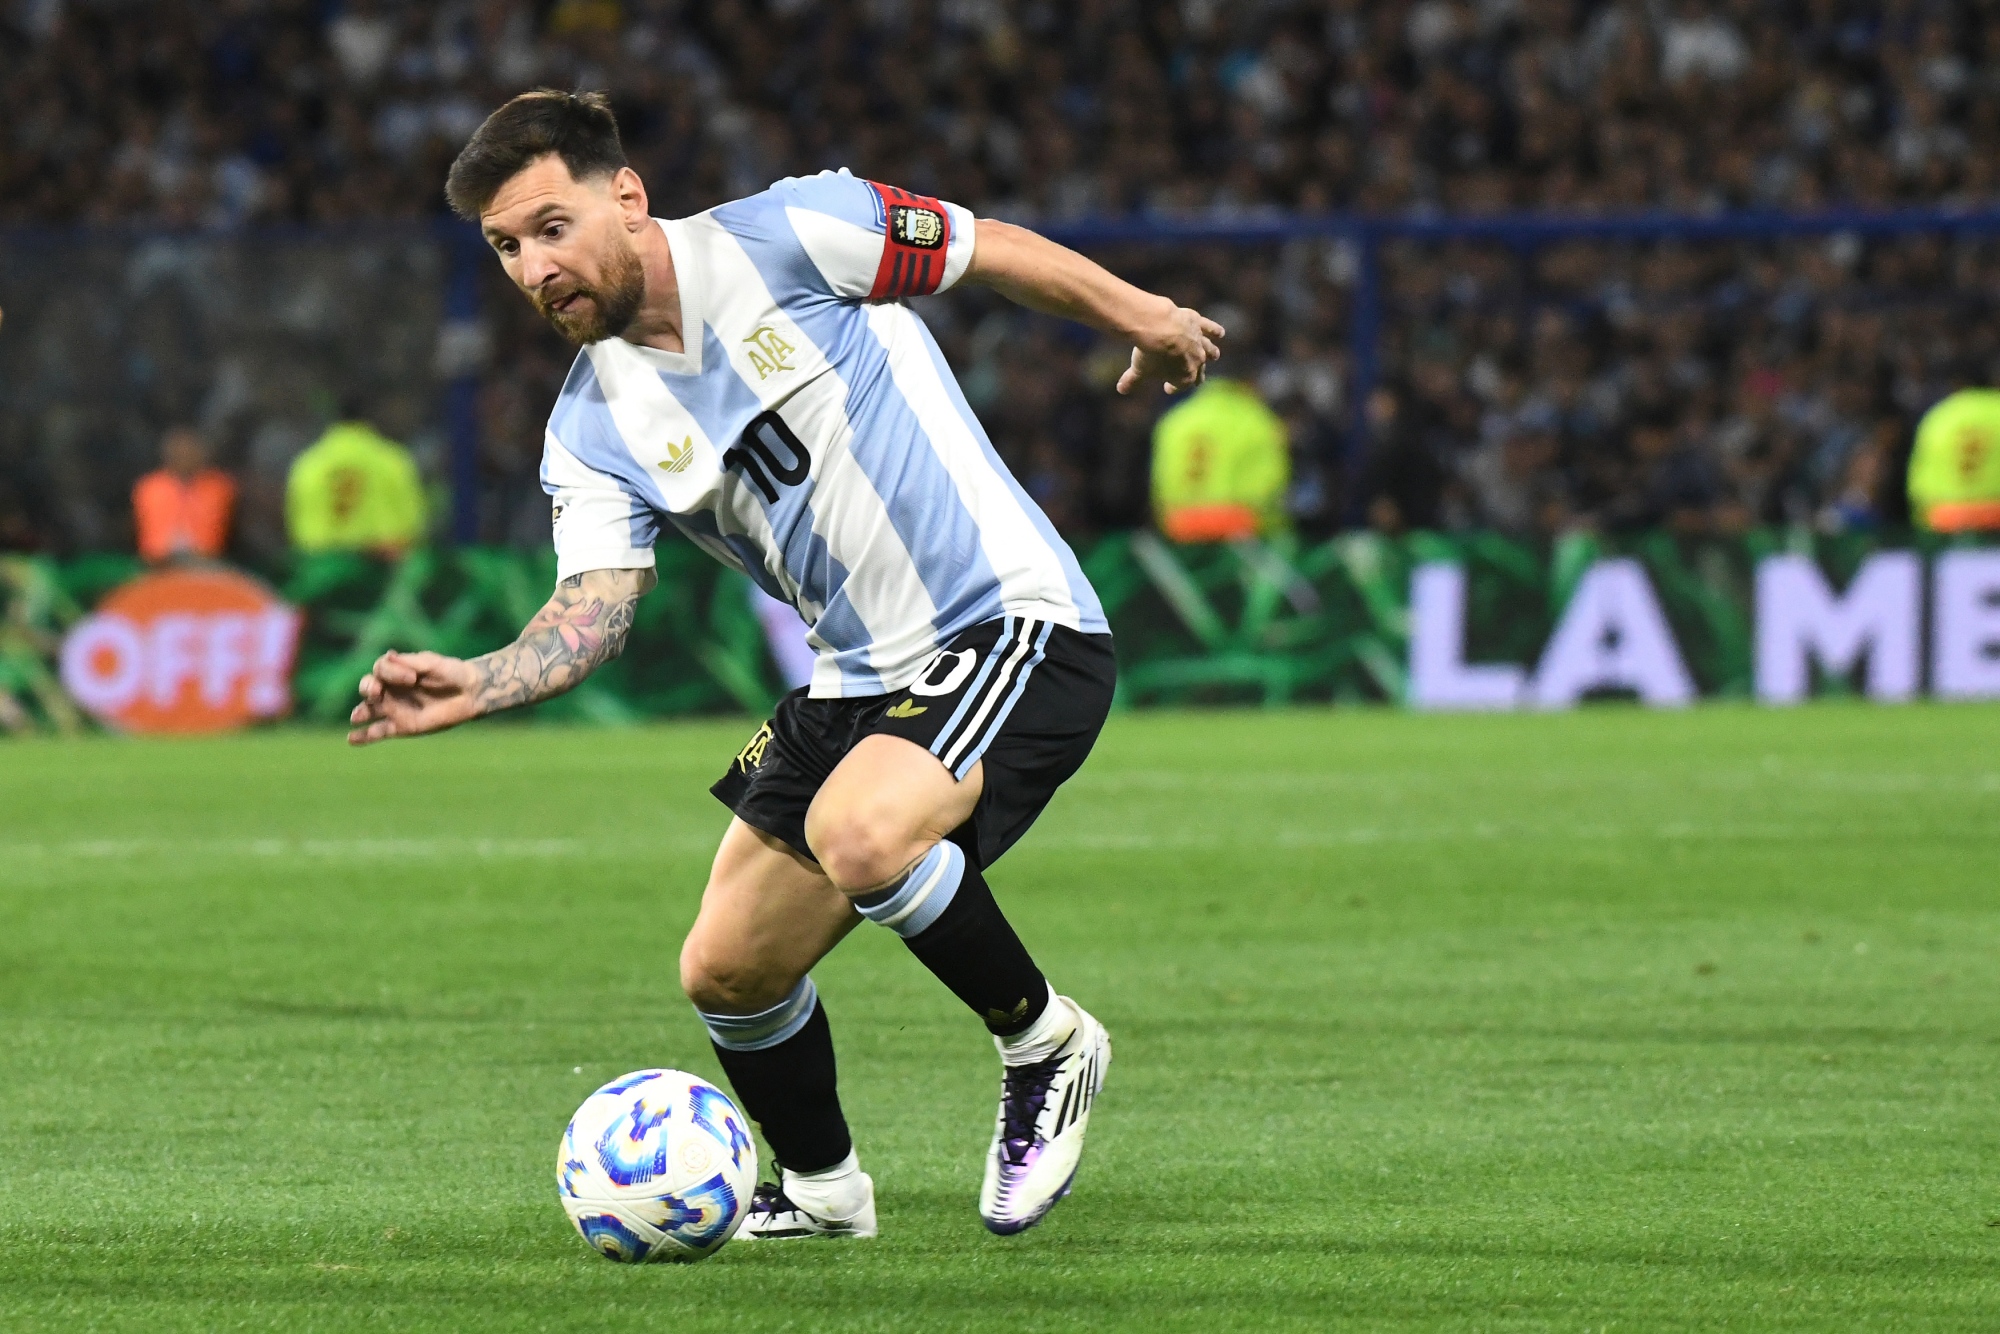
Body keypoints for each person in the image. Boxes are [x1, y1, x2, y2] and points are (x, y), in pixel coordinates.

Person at [345, 91, 1222, 1239]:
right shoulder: (591, 429)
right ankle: (820, 1188)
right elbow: (594, 606)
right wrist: (485, 677)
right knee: (726, 969)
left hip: (1006, 622)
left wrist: (1145, 317)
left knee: (859, 833)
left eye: (551, 227)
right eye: (506, 248)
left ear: (627, 197)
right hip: (853, 680)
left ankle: (1044, 1040)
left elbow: (989, 248)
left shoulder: (795, 232)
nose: (533, 268)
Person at [1149, 377, 1288, 542]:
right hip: (1237, 522)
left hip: (1178, 521)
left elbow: (1159, 477)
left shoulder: (1176, 418)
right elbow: (1271, 480)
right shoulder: (1257, 419)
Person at [285, 412, 428, 557]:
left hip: (320, 564)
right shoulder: (392, 459)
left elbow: (298, 530)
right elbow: (412, 527)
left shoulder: (307, 464)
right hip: (379, 563)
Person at [132, 425, 237, 563]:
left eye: (190, 451)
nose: (184, 456)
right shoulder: (149, 487)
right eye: (179, 451)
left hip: (206, 563)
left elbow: (216, 536)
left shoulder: (219, 487)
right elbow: (149, 538)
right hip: (158, 564)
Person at [1908, 387, 2000, 532]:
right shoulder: (1996, 407)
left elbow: (1919, 482)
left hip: (1945, 516)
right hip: (1995, 512)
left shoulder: (1940, 414)